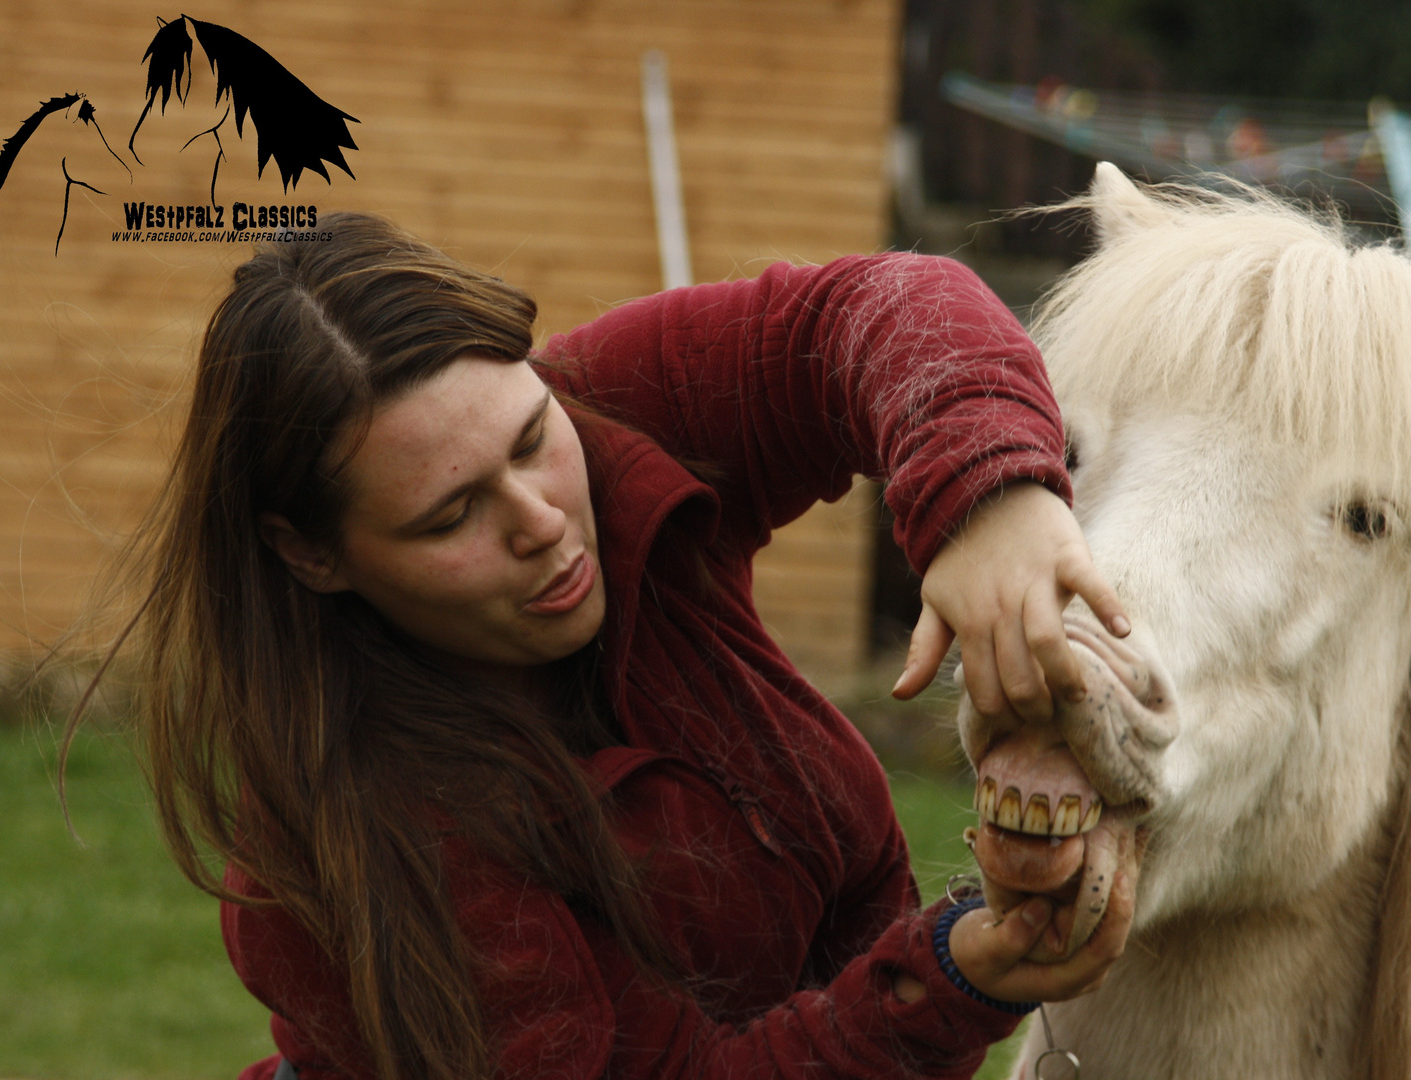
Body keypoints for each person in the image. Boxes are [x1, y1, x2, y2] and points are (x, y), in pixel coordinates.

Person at [68, 211, 1137, 1080]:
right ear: (311, 556)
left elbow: (881, 305)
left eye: (533, 438)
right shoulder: (366, 823)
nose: (540, 518)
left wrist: (987, 499)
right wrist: (951, 980)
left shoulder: (606, 408)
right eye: (450, 519)